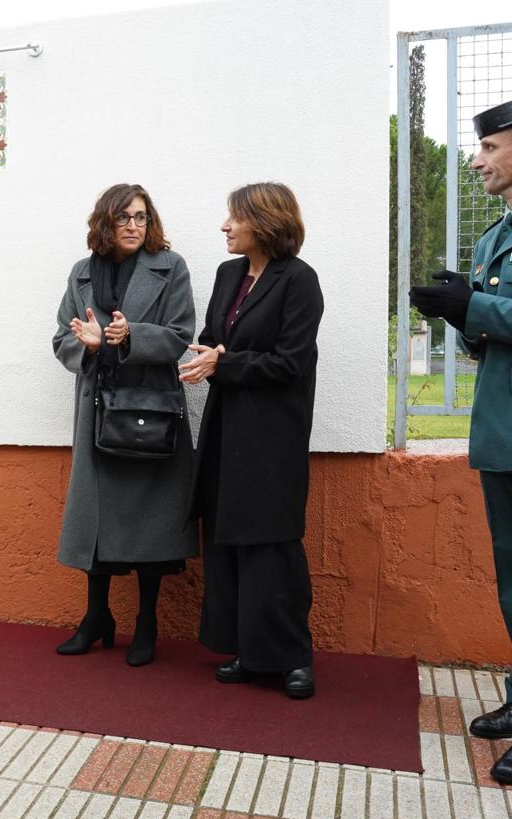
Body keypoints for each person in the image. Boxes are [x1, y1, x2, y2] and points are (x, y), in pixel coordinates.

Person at [410, 91, 512, 784]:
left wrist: (480, 305)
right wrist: (460, 310)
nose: (480, 160)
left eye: (492, 147)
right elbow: (494, 340)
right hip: (502, 431)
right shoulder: (497, 236)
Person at [179, 182, 323, 700]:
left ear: (264, 222)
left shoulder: (299, 281)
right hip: (225, 429)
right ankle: (249, 650)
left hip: (271, 437)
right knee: (228, 542)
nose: (224, 226)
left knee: (272, 545)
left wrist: (224, 361)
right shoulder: (228, 274)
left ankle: (292, 658)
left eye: (233, 218)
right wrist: (211, 354)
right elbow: (217, 333)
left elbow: (291, 363)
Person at [51, 183, 198, 666]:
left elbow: (181, 336)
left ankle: (147, 622)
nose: (134, 226)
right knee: (96, 518)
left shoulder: (169, 267)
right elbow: (61, 338)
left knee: (150, 519)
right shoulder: (81, 273)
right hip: (98, 409)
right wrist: (89, 346)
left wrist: (130, 334)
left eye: (141, 217)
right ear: (105, 224)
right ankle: (97, 617)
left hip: (150, 410)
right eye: (124, 218)